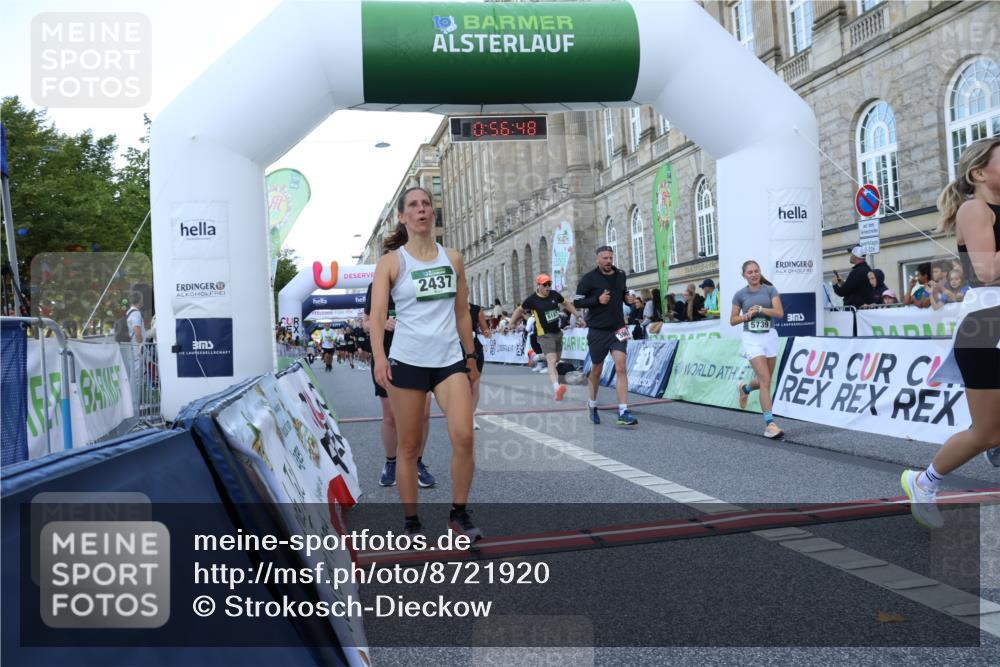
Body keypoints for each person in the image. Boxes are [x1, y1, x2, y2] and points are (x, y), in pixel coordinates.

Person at [370, 185, 481, 540]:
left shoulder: (453, 257)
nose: (421, 209)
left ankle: (458, 515)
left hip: (449, 360)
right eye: (413, 205)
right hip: (408, 362)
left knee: (464, 436)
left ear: (433, 213)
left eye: (426, 204)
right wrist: (379, 358)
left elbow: (461, 311)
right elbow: (376, 317)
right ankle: (412, 522)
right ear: (402, 217)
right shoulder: (391, 262)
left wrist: (471, 354)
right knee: (409, 446)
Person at [902, 138, 1000, 527]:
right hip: (987, 327)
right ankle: (923, 481)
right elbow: (989, 271)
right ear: (978, 173)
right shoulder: (974, 209)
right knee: (986, 433)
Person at [363, 277, 435, 489]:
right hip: (387, 356)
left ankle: (417, 463)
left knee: (422, 414)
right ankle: (391, 462)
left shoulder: (420, 280)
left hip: (420, 354)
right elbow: (366, 323)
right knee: (391, 417)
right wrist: (381, 323)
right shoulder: (376, 286)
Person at [573, 245, 638, 426]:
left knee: (622, 367)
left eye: (611, 258)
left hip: (618, 328)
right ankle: (592, 404)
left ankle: (623, 411)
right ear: (598, 260)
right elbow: (577, 301)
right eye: (605, 258)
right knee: (597, 369)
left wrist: (628, 298)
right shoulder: (589, 279)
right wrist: (597, 300)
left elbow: (623, 292)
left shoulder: (620, 275)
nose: (609, 261)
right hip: (598, 330)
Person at [731, 260, 786, 439]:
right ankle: (770, 424)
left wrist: (762, 309)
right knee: (764, 379)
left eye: (756, 271)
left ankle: (745, 388)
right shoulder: (740, 295)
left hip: (769, 336)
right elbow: (733, 320)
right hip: (752, 338)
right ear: (744, 275)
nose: (754, 274)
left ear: (760, 272)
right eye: (750, 272)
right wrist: (746, 316)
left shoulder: (770, 290)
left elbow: (779, 313)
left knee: (766, 380)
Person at [510, 274, 585, 401]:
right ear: (538, 285)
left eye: (549, 284)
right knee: (552, 360)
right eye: (545, 285)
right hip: (544, 334)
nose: (548, 287)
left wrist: (577, 315)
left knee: (557, 358)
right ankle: (557, 388)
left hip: (557, 332)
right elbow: (519, 310)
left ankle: (535, 356)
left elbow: (566, 304)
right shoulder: (532, 299)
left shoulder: (555, 295)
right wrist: (511, 322)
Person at [469, 301, 491, 430]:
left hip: (475, 349)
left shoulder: (476, 309)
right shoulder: (449, 307)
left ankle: (471, 416)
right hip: (455, 349)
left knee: (474, 385)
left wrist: (487, 332)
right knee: (462, 385)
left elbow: (485, 329)